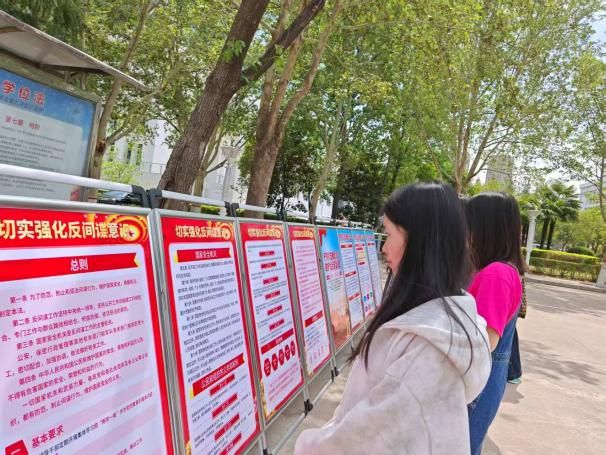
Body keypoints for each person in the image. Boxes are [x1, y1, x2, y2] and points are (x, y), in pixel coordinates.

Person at [294, 182, 491, 454]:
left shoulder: (426, 351)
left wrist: (308, 445)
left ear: (418, 240)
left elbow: (366, 439)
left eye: (388, 234)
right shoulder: (436, 321)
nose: (383, 247)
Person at [465, 192, 525, 454]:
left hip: (478, 385)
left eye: (468, 223)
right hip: (483, 382)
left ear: (486, 227)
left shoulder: (497, 274)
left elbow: (484, 342)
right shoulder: (499, 270)